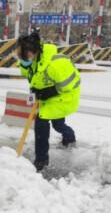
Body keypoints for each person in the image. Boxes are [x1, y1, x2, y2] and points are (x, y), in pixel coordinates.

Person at [16, 33, 81, 171]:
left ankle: (41, 160)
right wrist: (36, 91)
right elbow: (31, 75)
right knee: (58, 124)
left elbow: (71, 85)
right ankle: (69, 136)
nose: (22, 60)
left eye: (25, 56)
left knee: (42, 121)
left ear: (35, 51)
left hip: (64, 97)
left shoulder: (56, 64)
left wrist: (48, 92)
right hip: (46, 98)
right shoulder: (29, 60)